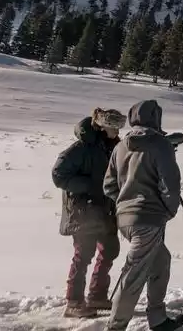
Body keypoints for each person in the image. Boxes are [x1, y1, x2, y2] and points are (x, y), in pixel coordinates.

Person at [103, 100, 183, 331]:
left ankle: (158, 319)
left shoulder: (120, 147)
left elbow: (109, 186)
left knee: (161, 260)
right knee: (134, 272)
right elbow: (170, 183)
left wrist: (125, 203)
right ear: (156, 118)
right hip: (149, 218)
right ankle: (116, 326)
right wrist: (167, 210)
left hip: (125, 219)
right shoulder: (160, 144)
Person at [53, 108, 125, 319]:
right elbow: (58, 174)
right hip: (84, 210)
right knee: (83, 255)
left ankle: (97, 295)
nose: (117, 131)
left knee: (110, 250)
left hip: (105, 209)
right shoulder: (81, 148)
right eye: (114, 127)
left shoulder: (114, 147)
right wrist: (90, 185)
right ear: (103, 126)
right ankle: (74, 302)